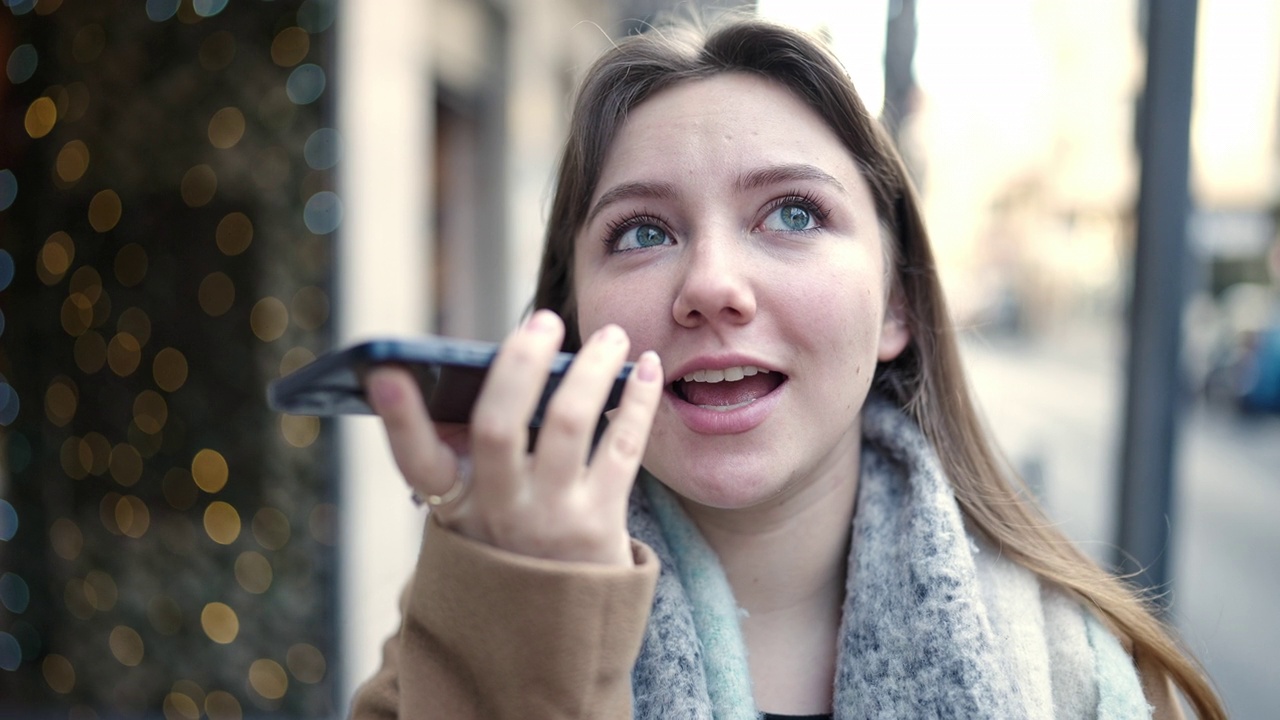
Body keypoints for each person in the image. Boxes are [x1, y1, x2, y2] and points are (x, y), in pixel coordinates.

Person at [350, 12, 1224, 720]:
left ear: (897, 303)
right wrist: (521, 611)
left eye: (794, 215)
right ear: (574, 322)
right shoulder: (446, 657)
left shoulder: (1091, 684)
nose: (712, 287)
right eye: (643, 233)